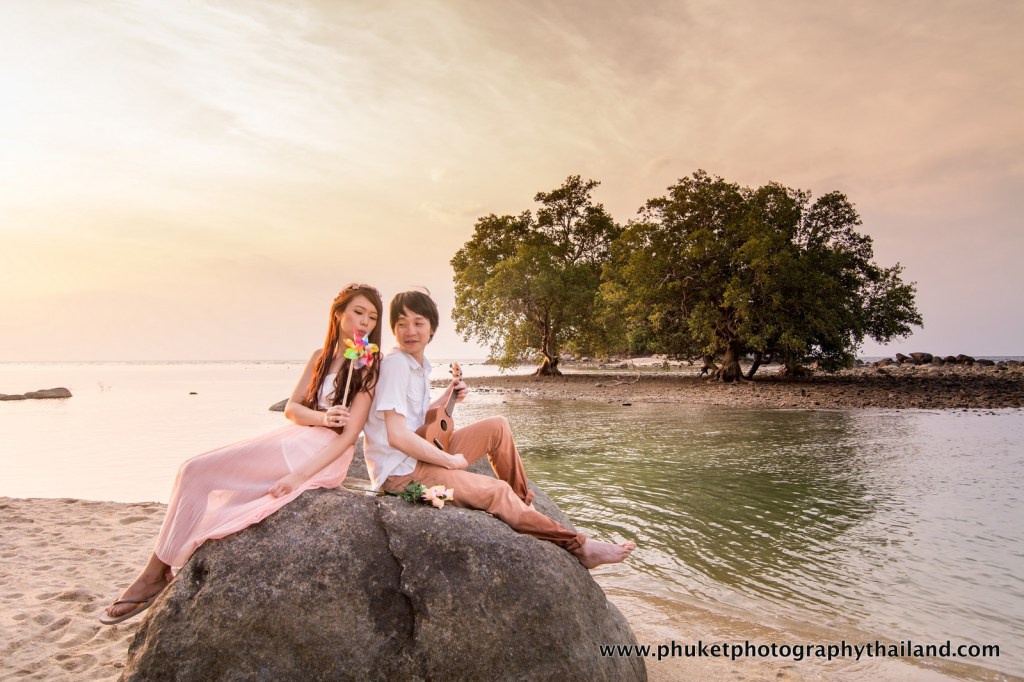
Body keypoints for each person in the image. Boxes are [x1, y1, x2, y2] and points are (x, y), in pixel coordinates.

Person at [100, 284, 383, 625]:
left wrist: (299, 476)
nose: (365, 322)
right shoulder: (319, 357)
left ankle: (154, 574)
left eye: (372, 317)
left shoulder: (369, 364)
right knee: (191, 470)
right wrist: (322, 417)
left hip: (322, 452)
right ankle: (158, 569)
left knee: (196, 472)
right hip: (299, 436)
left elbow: (349, 437)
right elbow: (292, 409)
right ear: (338, 314)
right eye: (358, 312)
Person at [363, 289, 635, 569]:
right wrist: (449, 461)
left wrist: (447, 396)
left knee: (497, 426)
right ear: (393, 329)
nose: (410, 331)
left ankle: (522, 505)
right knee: (496, 491)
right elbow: (397, 435)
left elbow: (413, 417)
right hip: (402, 474)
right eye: (402, 324)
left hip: (419, 454)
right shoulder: (396, 364)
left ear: (432, 327)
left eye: (418, 323)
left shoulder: (417, 365)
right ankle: (579, 546)